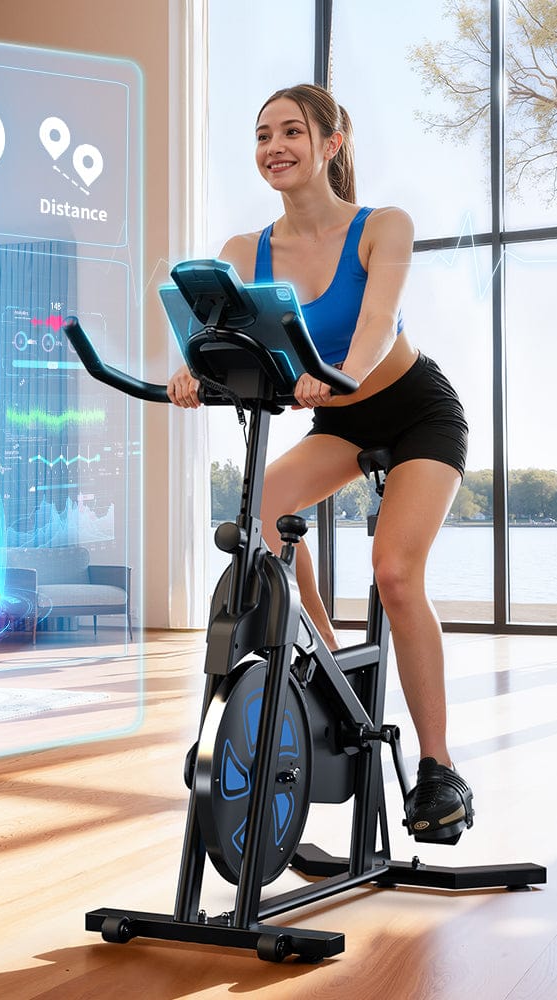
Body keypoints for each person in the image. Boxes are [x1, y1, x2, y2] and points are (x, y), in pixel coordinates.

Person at [166, 83, 473, 844]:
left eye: (292, 132)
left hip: (416, 410)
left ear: (331, 143)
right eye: (263, 134)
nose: (275, 146)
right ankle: (335, 675)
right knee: (257, 520)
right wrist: (189, 369)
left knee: (397, 572)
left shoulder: (382, 227)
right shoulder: (246, 252)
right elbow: (214, 336)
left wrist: (335, 374)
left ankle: (438, 770)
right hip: (338, 417)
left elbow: (373, 332)